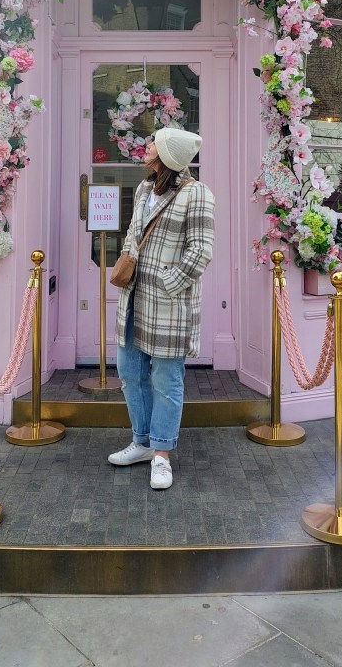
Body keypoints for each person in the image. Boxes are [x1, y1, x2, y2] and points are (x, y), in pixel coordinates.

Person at [108, 126, 215, 490]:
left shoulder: (197, 193)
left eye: (154, 142)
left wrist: (167, 283)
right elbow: (132, 234)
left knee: (166, 380)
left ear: (167, 153)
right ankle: (141, 442)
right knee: (130, 372)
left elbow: (201, 251)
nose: (147, 146)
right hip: (134, 297)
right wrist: (128, 261)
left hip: (169, 304)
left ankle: (162, 454)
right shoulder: (143, 189)